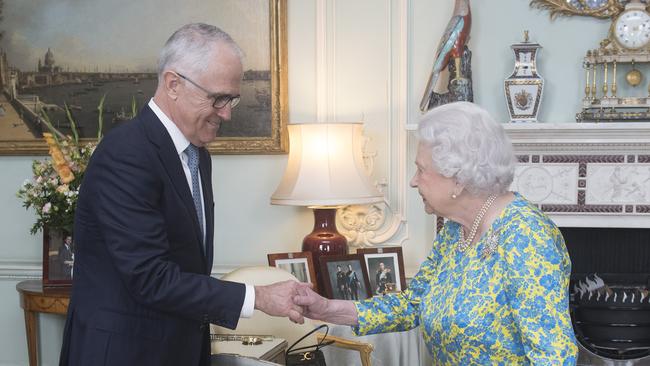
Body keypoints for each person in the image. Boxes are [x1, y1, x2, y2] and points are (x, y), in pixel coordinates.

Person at [59, 23, 308, 366]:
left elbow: (187, 265)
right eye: (218, 98)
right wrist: (258, 297)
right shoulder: (127, 154)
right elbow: (150, 277)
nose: (227, 112)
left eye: (232, 98)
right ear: (173, 84)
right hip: (125, 354)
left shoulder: (195, 153)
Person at [294, 102, 579, 365]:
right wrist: (327, 308)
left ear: (458, 177)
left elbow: (554, 357)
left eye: (421, 169)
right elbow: (414, 304)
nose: (413, 181)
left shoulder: (527, 237)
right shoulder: (456, 230)